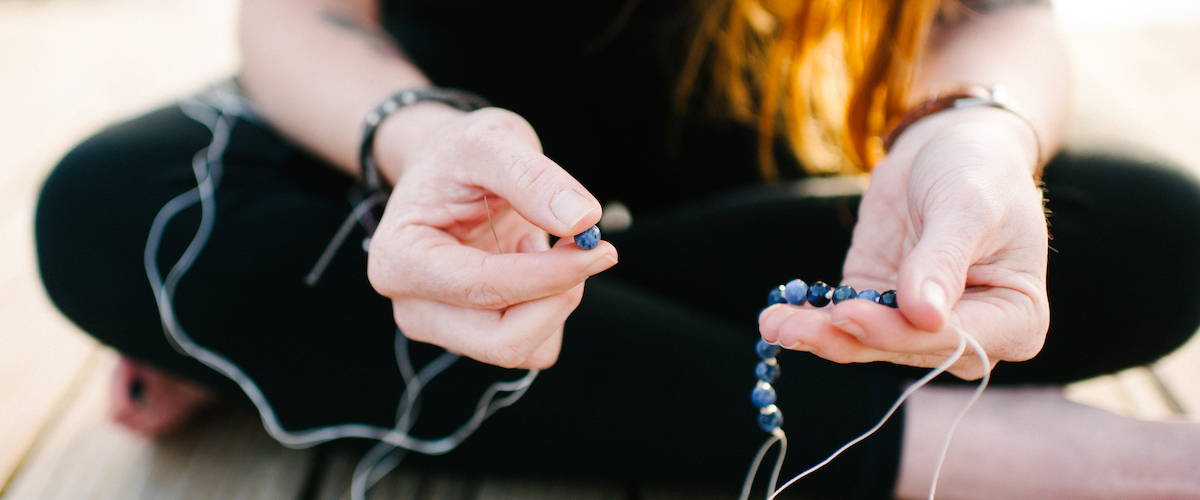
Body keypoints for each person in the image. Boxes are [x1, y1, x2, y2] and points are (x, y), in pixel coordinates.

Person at [34, 0, 1200, 497]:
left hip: (760, 157)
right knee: (110, 210)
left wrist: (975, 130)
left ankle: (316, 324)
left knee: (1151, 230)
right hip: (422, 131)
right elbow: (304, 15)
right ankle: (984, 445)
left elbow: (993, 14)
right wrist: (422, 147)